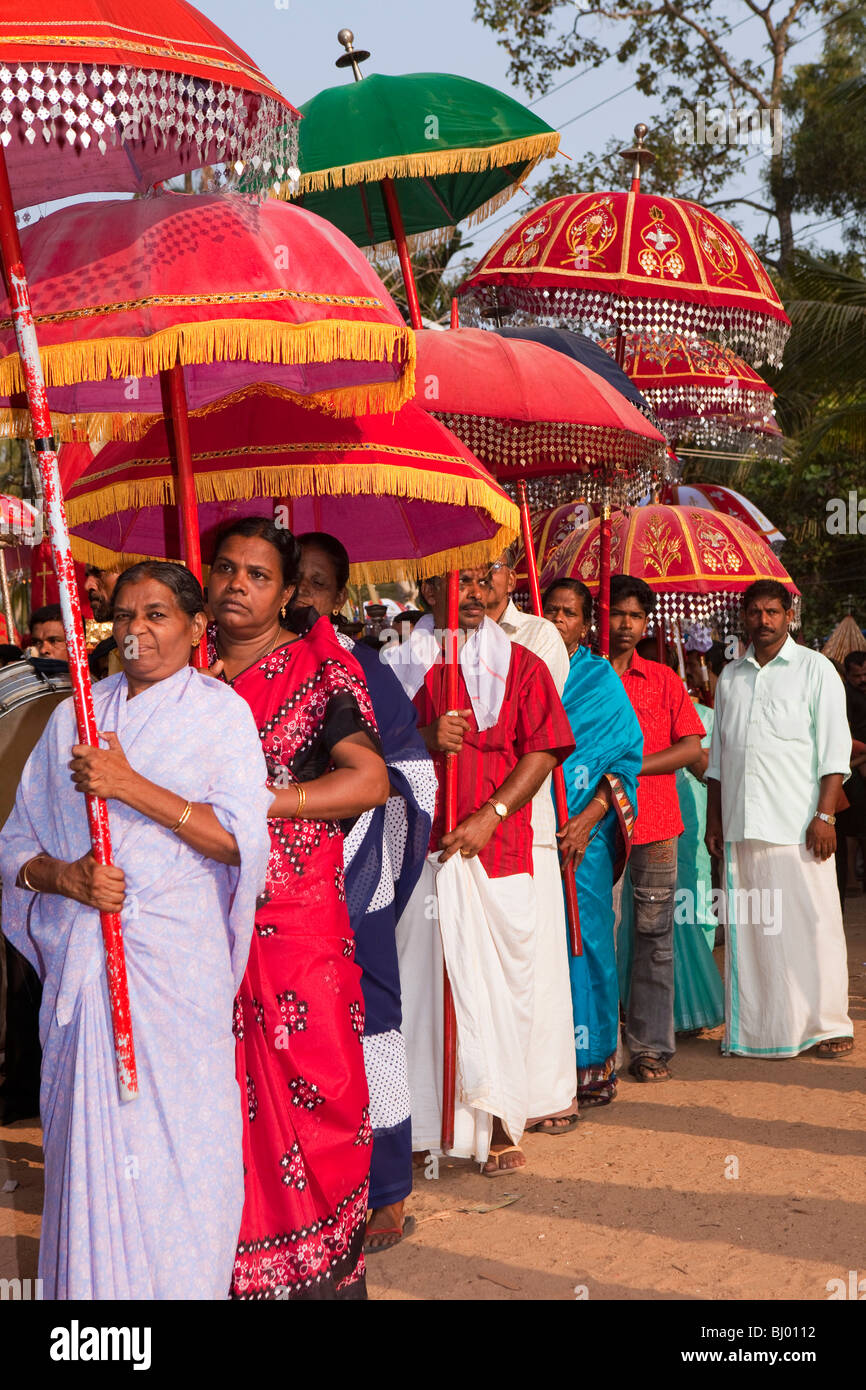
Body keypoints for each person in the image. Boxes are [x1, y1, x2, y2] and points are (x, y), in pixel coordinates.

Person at [0, 561, 271, 1298]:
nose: (136, 631)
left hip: (177, 978)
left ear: (193, 629)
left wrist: (129, 786)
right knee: (90, 1166)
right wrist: (68, 879)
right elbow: (15, 849)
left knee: (185, 1160)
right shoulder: (72, 717)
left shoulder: (221, 714)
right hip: (88, 974)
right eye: (123, 615)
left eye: (156, 615)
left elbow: (240, 842)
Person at [207, 518, 390, 1300]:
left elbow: (370, 781)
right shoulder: (178, 674)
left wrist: (270, 802)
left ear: (286, 594)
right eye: (224, 569)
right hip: (200, 925)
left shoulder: (319, 675)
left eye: (256, 574)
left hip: (294, 926)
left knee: (315, 1097)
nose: (236, 585)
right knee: (214, 1107)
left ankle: (320, 1276)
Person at [387, 569, 575, 1175]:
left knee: (493, 991)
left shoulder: (524, 663)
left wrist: (492, 815)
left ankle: (497, 1125)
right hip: (422, 854)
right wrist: (421, 732)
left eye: (479, 581)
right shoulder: (402, 665)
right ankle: (422, 1127)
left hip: (498, 850)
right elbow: (369, 747)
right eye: (455, 581)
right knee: (422, 988)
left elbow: (543, 748)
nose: (468, 594)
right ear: (431, 589)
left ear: (497, 590)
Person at [292, 531, 436, 1254]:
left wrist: (359, 846)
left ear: (340, 596)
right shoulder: (235, 668)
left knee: (374, 1028)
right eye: (295, 579)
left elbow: (411, 771)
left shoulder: (364, 669)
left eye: (318, 582)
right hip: (270, 892)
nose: (303, 593)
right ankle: (304, 1187)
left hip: (355, 874)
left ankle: (386, 1188)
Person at [706, 581, 854, 1059]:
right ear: (743, 617)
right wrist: (714, 821)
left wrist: (825, 815)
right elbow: (719, 762)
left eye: (773, 612)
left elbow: (835, 751)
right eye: (754, 612)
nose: (763, 621)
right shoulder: (730, 677)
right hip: (742, 827)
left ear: (789, 615)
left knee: (813, 926)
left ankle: (828, 1024)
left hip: (800, 827)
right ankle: (761, 1027)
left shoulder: (816, 670)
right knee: (755, 933)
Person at [485, 551, 577, 1135]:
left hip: (521, 818)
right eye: (465, 570)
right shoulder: (422, 634)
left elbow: (510, 722)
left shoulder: (540, 636)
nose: (476, 582)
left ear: (510, 576)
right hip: (449, 826)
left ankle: (542, 1094)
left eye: (488, 568)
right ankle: (479, 1100)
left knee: (533, 964)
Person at [542, 578, 642, 1107]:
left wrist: (588, 817)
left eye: (569, 613)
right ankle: (546, 1068)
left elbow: (627, 758)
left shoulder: (599, 678)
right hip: (531, 834)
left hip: (588, 840)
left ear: (585, 625)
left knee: (591, 945)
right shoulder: (525, 669)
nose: (558, 620)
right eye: (551, 610)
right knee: (539, 946)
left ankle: (592, 1064)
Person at [608, 575, 704, 1083]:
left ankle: (649, 1047)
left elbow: (692, 749)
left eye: (635, 616)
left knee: (654, 937)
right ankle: (595, 1046)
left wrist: (632, 768)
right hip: (592, 824)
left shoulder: (664, 679)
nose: (625, 625)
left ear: (647, 623)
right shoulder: (581, 676)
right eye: (616, 613)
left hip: (656, 824)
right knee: (593, 935)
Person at [836, 650, 866, 903]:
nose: (863, 679)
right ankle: (851, 881)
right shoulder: (844, 695)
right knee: (850, 830)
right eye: (858, 675)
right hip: (848, 768)